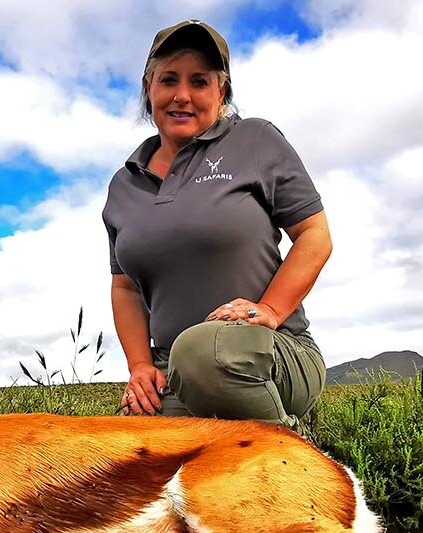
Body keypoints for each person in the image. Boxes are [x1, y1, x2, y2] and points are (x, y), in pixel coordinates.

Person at [103, 19, 333, 431]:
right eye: (168, 79)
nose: (182, 95)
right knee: (126, 451)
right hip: (173, 368)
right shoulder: (124, 184)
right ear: (149, 88)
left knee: (203, 353)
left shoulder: (256, 140)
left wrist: (269, 309)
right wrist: (139, 365)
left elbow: (315, 235)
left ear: (221, 91)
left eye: (200, 81)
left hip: (273, 353)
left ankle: (293, 457)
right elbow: (124, 287)